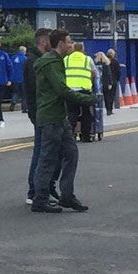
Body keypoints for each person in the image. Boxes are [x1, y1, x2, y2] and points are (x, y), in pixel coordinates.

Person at [28, 32, 91, 213]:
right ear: (61, 43)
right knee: (48, 158)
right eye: (69, 42)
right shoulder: (51, 63)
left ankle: (67, 196)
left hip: (59, 117)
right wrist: (87, 99)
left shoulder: (55, 61)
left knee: (71, 153)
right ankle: (39, 199)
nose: (71, 46)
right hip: (51, 118)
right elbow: (61, 89)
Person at [21, 30, 52, 204]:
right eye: (49, 40)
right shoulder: (34, 62)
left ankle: (40, 189)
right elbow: (36, 89)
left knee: (43, 151)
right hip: (40, 111)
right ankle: (34, 191)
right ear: (42, 41)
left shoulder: (35, 59)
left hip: (40, 111)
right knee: (41, 152)